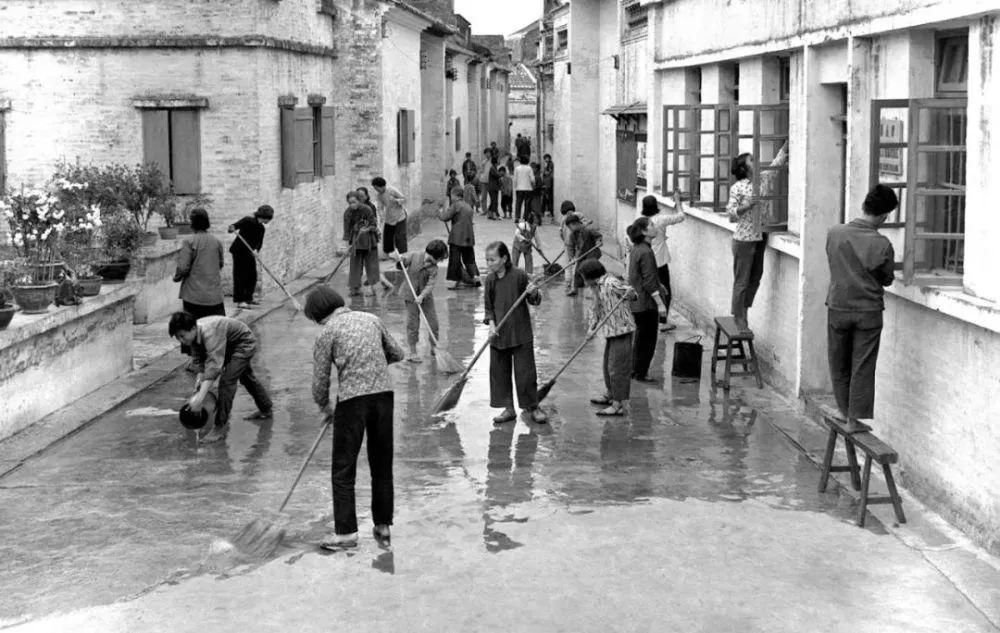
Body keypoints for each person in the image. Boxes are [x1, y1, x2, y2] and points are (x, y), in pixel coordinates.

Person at [306, 285, 405, 549]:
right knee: (381, 464)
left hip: (352, 401)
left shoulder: (327, 332)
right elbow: (397, 353)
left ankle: (347, 534)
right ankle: (383, 526)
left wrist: (325, 407)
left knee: (343, 468)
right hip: (383, 396)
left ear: (319, 314)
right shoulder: (372, 319)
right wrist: (371, 364)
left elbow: (320, 382)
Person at [826, 185, 898, 434]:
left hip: (838, 306)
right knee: (862, 365)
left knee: (838, 361)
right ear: (884, 215)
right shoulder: (882, 244)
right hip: (868, 311)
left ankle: (842, 409)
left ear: (864, 206)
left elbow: (832, 261)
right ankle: (854, 419)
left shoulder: (835, 233)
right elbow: (887, 278)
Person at [169, 312, 273, 444]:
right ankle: (266, 409)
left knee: (227, 381)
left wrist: (200, 398)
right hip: (228, 346)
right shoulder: (193, 336)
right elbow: (199, 361)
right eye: (178, 338)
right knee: (246, 378)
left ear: (193, 328)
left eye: (182, 336)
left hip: (243, 344)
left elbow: (213, 368)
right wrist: (199, 381)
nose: (181, 341)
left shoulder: (210, 333)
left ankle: (219, 427)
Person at [483, 241, 547, 424]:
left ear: (504, 258)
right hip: (499, 334)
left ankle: (532, 406)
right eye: (487, 260)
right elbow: (488, 308)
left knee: (526, 373)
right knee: (500, 373)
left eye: (492, 260)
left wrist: (533, 292)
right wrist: (492, 325)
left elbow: (535, 300)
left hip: (520, 332)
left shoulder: (519, 275)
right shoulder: (490, 280)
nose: (489, 263)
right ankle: (508, 408)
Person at [727, 143, 788, 334]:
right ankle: (739, 318)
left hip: (760, 236)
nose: (756, 161)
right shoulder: (738, 188)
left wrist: (785, 149)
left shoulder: (761, 180)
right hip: (743, 240)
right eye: (752, 160)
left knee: (755, 278)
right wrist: (747, 206)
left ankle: (744, 311)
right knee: (742, 281)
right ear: (744, 168)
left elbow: (775, 166)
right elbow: (731, 214)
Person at [579, 260, 636, 416]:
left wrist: (629, 293)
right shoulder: (596, 288)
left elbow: (632, 294)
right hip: (610, 332)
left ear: (591, 276)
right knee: (607, 366)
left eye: (584, 277)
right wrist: (591, 329)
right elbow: (595, 311)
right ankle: (611, 394)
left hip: (622, 331)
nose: (583, 281)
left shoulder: (611, 283)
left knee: (617, 369)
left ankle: (619, 405)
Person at [628, 217, 670, 383]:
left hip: (637, 301)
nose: (655, 227)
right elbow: (649, 282)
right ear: (644, 231)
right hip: (645, 304)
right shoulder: (646, 252)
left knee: (640, 337)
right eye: (651, 225)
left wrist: (660, 284)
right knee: (648, 340)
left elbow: (644, 275)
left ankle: (635, 370)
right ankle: (641, 372)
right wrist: (660, 304)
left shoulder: (637, 248)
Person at [393, 239, 448, 363]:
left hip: (426, 297)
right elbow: (402, 265)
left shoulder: (434, 268)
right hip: (410, 295)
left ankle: (434, 348)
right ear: (433, 255)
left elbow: (430, 284)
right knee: (412, 324)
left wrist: (422, 296)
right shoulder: (415, 256)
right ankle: (412, 352)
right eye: (439, 259)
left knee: (433, 323)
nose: (439, 262)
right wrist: (400, 260)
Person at [638, 193, 685, 330]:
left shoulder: (642, 221)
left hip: (645, 261)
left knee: (650, 290)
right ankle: (662, 322)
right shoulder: (660, 219)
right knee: (665, 291)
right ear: (656, 206)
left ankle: (650, 318)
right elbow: (680, 216)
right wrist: (678, 202)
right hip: (659, 261)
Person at [174, 208, 225, 319]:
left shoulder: (189, 241)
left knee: (194, 326)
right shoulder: (216, 242)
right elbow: (220, 264)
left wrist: (177, 277)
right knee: (216, 326)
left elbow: (183, 267)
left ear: (192, 223)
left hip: (193, 295)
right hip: (214, 296)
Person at [227, 205, 272, 310]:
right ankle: (240, 300)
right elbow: (233, 227)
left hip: (249, 253)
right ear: (264, 217)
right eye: (269, 218)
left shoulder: (261, 228)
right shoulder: (247, 220)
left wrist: (256, 250)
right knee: (240, 276)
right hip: (239, 251)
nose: (269, 220)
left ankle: (248, 298)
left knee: (252, 276)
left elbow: (259, 242)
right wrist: (231, 228)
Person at [439, 185, 481, 289]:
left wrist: (440, 211)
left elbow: (445, 217)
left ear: (454, 195)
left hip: (457, 238)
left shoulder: (455, 206)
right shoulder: (468, 206)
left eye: (451, 195)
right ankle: (475, 277)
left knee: (455, 260)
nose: (451, 197)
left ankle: (454, 282)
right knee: (470, 260)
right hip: (469, 237)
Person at [343, 191, 380, 296]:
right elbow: (346, 231)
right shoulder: (348, 213)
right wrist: (348, 246)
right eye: (350, 203)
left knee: (371, 265)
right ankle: (355, 288)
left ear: (359, 201)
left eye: (354, 202)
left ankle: (372, 288)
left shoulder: (367, 210)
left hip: (369, 240)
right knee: (355, 265)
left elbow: (373, 225)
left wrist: (366, 229)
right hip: (356, 241)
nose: (352, 205)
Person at [565, 212, 602, 295]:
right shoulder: (572, 235)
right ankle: (576, 289)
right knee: (578, 271)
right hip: (581, 254)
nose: (569, 229)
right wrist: (572, 258)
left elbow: (598, 236)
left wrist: (598, 241)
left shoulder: (588, 230)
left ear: (576, 223)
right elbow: (570, 247)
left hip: (592, 253)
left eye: (570, 226)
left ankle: (594, 291)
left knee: (589, 272)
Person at [372, 176, 408, 255]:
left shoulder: (391, 190)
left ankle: (402, 255)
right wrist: (381, 215)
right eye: (375, 189)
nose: (376, 190)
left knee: (400, 237)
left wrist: (396, 200)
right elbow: (380, 208)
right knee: (388, 238)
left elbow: (404, 199)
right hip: (389, 218)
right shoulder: (379, 196)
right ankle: (390, 255)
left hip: (400, 216)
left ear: (382, 186)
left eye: (377, 188)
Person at [513, 157, 534, 223]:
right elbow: (532, 179)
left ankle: (517, 217)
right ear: (527, 161)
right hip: (528, 188)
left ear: (520, 161)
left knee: (518, 203)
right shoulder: (529, 168)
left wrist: (515, 186)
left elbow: (515, 179)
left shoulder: (517, 168)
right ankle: (526, 217)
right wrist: (533, 185)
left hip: (519, 189)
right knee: (527, 204)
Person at [478, 148, 492, 214]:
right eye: (486, 153)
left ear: (490, 153)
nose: (487, 154)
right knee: (483, 197)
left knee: (492, 197)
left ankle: (492, 210)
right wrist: (479, 178)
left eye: (488, 153)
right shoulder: (483, 162)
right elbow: (481, 171)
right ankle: (484, 210)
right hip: (483, 181)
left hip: (491, 181)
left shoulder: (493, 161)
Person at [487, 156, 502, 221]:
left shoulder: (494, 168)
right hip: (492, 187)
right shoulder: (492, 168)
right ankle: (494, 214)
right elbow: (497, 175)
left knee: (493, 201)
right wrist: (502, 173)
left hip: (494, 187)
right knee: (494, 201)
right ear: (495, 162)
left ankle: (490, 213)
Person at [542, 154, 555, 223]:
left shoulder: (550, 164)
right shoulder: (547, 164)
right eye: (545, 158)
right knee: (546, 198)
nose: (546, 159)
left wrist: (544, 172)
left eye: (547, 158)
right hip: (547, 183)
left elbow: (548, 172)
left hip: (549, 183)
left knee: (548, 198)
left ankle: (551, 212)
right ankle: (548, 211)